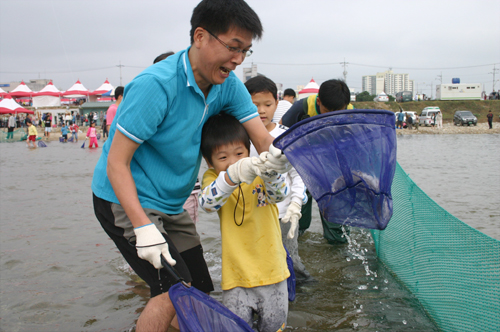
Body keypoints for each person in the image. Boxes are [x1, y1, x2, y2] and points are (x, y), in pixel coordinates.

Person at [91, 1, 290, 331]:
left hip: (172, 204)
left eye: (245, 51)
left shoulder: (228, 86)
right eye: (233, 47)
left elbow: (262, 139)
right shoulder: (156, 86)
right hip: (124, 200)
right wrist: (143, 228)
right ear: (201, 36)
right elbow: (116, 162)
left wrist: (280, 157)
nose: (238, 60)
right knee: (173, 292)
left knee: (199, 290)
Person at [199, 113, 290, 332]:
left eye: (239, 153)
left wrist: (271, 171)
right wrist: (232, 175)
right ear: (209, 162)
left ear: (248, 151)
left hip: (273, 273)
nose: (233, 161)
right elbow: (208, 203)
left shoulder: (259, 173)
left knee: (274, 328)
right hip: (236, 277)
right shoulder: (213, 179)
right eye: (223, 158)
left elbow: (280, 194)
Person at [245, 76, 311, 282]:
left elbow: (298, 174)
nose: (261, 110)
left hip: (283, 214)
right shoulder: (238, 137)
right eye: (254, 105)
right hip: (252, 214)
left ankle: (301, 293)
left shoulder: (286, 135)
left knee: (290, 260)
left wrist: (296, 203)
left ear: (277, 103)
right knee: (255, 260)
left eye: (267, 104)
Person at [280, 79, 352, 244]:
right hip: (304, 166)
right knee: (299, 210)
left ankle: (337, 248)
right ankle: (298, 241)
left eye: (337, 112)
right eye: (327, 111)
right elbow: (281, 134)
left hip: (334, 168)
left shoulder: (351, 113)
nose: (331, 117)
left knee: (336, 218)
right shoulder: (301, 109)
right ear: (319, 101)